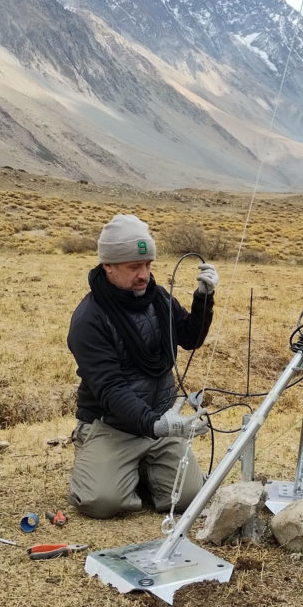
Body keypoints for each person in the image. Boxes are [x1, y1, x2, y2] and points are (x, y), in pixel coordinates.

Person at [67, 213, 218, 519]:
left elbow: (189, 338)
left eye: (148, 265)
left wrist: (204, 299)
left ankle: (142, 471)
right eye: (134, 266)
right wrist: (154, 425)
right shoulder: (89, 319)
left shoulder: (158, 297)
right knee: (102, 502)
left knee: (188, 496)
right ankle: (109, 463)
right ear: (108, 265)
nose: (144, 274)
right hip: (112, 425)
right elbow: (111, 389)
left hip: (161, 418)